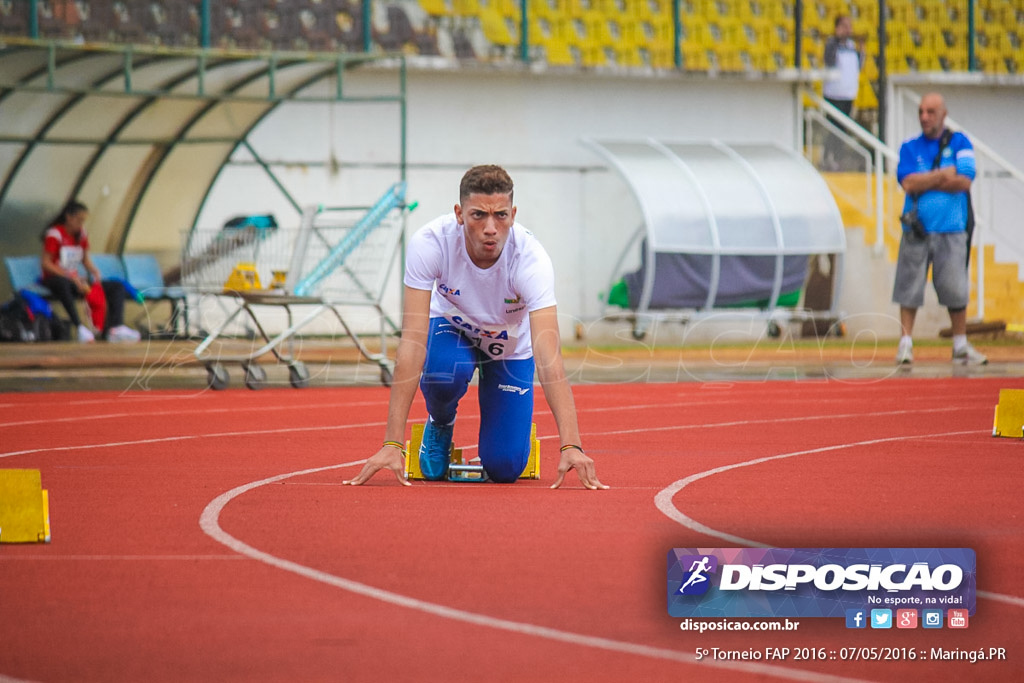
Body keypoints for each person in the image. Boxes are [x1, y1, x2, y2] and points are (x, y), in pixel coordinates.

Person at [344, 165, 607, 489]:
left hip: (509, 346)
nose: (490, 228)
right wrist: (392, 443)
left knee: (505, 467)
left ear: (513, 214)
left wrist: (571, 445)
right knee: (445, 371)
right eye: (478, 215)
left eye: (500, 215)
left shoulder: (531, 261)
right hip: (452, 331)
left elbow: (549, 357)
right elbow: (412, 343)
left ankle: (510, 434)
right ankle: (441, 422)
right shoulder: (430, 244)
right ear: (459, 213)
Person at [893, 93, 986, 366]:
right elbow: (907, 183)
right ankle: (905, 343)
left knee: (954, 288)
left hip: (952, 229)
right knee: (908, 286)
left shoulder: (960, 142)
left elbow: (964, 180)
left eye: (931, 112)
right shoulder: (909, 147)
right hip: (916, 230)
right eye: (921, 111)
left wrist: (925, 181)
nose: (924, 117)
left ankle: (960, 345)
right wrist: (942, 174)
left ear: (943, 115)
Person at [40, 200, 141, 343]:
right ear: (69, 217)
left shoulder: (81, 235)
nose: (81, 224)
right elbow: (46, 263)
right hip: (55, 279)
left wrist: (95, 272)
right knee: (63, 285)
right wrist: (69, 276)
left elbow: (85, 259)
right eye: (79, 220)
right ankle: (79, 327)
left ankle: (115, 328)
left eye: (84, 221)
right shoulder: (55, 234)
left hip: (76, 281)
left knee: (116, 287)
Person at [822, 15, 864, 171]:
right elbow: (829, 61)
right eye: (845, 26)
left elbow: (858, 66)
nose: (849, 29)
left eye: (849, 26)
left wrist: (862, 50)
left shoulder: (852, 46)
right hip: (834, 93)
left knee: (843, 129)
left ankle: (837, 158)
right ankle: (828, 157)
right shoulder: (832, 44)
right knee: (833, 128)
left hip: (848, 94)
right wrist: (837, 38)